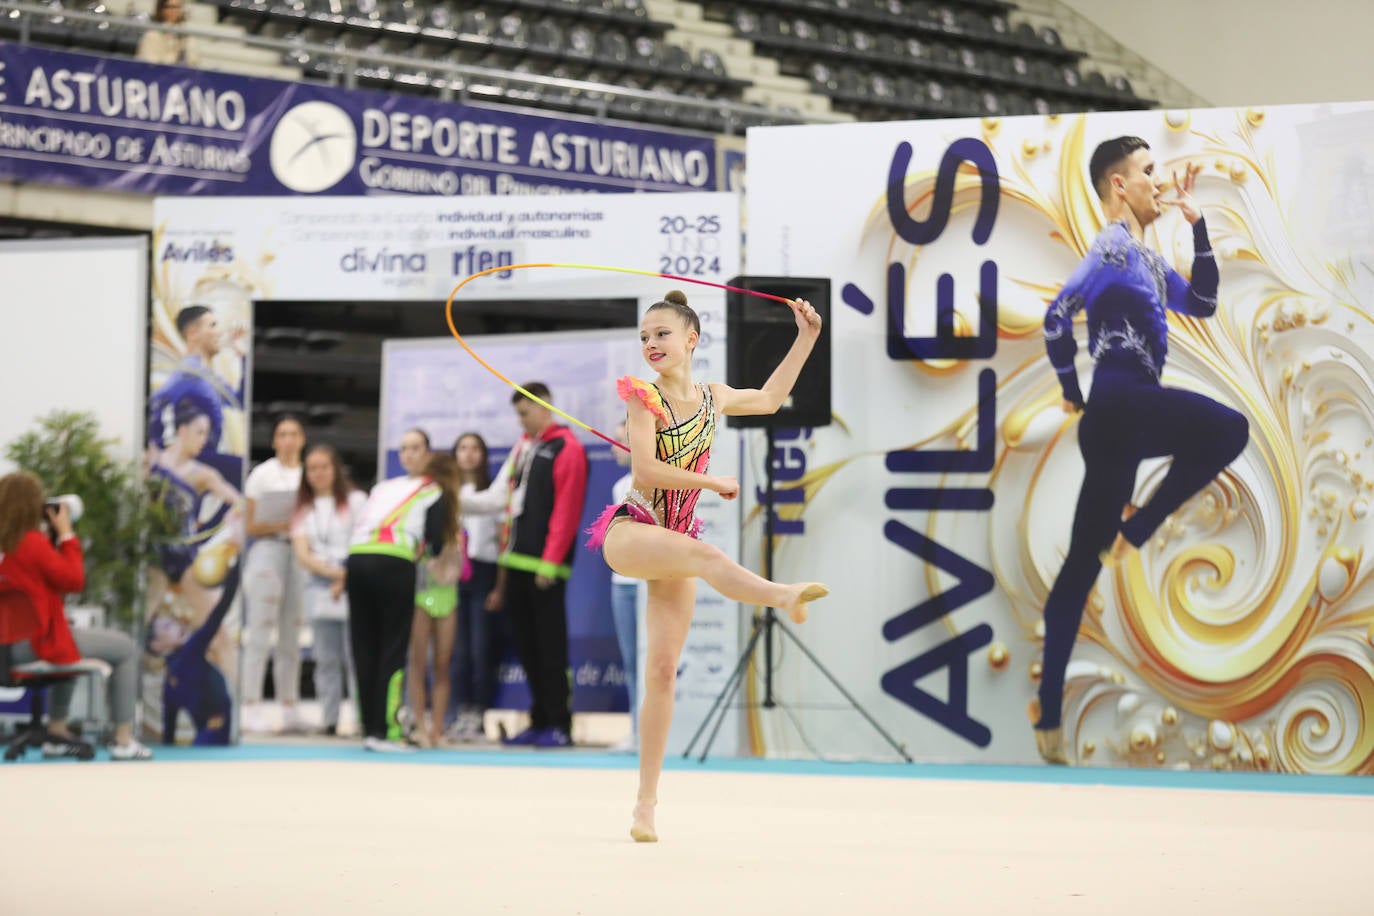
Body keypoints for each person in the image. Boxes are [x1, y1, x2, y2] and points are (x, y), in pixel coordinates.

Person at [1034, 137, 1250, 764]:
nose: (1158, 181)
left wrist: (1198, 227)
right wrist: (1074, 393)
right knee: (1227, 429)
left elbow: (1204, 302)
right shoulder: (1109, 246)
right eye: (1148, 172)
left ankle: (1048, 717)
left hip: (1122, 418)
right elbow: (1056, 318)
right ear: (1118, 186)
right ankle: (1142, 524)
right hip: (1118, 408)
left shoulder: (1148, 262)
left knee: (1081, 565)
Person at [585, 289, 829, 842]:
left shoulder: (714, 397)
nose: (651, 343)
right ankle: (781, 596)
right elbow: (645, 471)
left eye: (662, 334)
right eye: (645, 336)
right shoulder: (642, 396)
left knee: (662, 672)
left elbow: (768, 399)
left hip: (675, 538)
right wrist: (710, 481)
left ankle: (644, 806)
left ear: (691, 339)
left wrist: (807, 337)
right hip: (632, 529)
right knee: (705, 555)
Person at [461, 384, 589, 751]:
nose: (521, 420)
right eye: (518, 414)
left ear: (545, 407)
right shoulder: (523, 447)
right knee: (527, 648)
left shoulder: (568, 447)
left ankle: (560, 724)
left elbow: (567, 509)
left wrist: (550, 561)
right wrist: (454, 499)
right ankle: (539, 720)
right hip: (514, 562)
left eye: (525, 413)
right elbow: (500, 498)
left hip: (545, 567)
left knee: (550, 648)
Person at [0, 472, 153, 760]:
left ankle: (57, 733)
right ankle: (123, 740)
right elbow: (73, 580)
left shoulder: (8, 546)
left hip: (8, 648)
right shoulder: (31, 542)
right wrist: (67, 533)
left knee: (71, 644)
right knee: (125, 647)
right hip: (38, 643)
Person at [346, 430, 461, 752]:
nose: (409, 454)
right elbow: (435, 541)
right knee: (391, 648)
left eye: (415, 449)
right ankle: (385, 731)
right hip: (394, 563)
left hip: (357, 559)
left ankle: (368, 726)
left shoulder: (381, 488)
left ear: (426, 453)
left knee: (364, 645)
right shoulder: (432, 489)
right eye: (405, 449)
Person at [290, 443, 366, 737]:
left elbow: (364, 540)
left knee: (356, 656)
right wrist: (333, 574)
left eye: (324, 467)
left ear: (335, 469)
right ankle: (329, 718)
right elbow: (303, 554)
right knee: (325, 658)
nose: (318, 473)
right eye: (312, 468)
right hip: (318, 585)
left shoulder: (356, 500)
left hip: (354, 581)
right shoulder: (303, 508)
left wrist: (345, 577)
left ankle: (363, 718)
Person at [240, 415, 307, 734]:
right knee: (260, 627)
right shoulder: (262, 475)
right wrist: (283, 524)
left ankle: (289, 704)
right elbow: (250, 525)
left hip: (300, 551)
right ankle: (250, 702)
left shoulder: (309, 474)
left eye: (293, 434)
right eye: (282, 434)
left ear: (302, 439)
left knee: (291, 632)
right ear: (274, 441)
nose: (288, 440)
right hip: (268, 548)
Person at [405, 452, 467, 749]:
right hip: (424, 587)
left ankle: (433, 728)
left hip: (442, 589)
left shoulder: (454, 508)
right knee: (428, 663)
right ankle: (423, 726)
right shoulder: (425, 500)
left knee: (433, 663)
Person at [147, 305, 247, 479]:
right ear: (193, 332)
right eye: (213, 325)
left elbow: (240, 402)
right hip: (197, 456)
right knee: (243, 471)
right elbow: (156, 404)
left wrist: (241, 355)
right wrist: (161, 452)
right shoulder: (188, 373)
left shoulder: (206, 374)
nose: (218, 332)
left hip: (205, 455)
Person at [446, 432, 502, 743]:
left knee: (482, 649)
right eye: (462, 448)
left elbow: (502, 539)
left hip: (483, 571)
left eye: (475, 448)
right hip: (454, 573)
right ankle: (458, 712)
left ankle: (478, 713)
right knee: (459, 651)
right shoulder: (447, 494)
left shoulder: (492, 493)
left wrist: (499, 586)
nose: (468, 454)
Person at [607, 421, 640, 754]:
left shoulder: (658, 481)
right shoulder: (620, 486)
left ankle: (655, 730)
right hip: (623, 583)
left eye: (618, 441)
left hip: (651, 583)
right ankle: (637, 729)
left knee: (654, 662)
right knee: (631, 661)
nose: (613, 447)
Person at [136, 0, 187, 65]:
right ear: (161, 9)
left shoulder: (185, 33)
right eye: (171, 7)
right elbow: (150, 63)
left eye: (178, 7)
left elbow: (192, 61)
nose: (175, 11)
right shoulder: (152, 35)